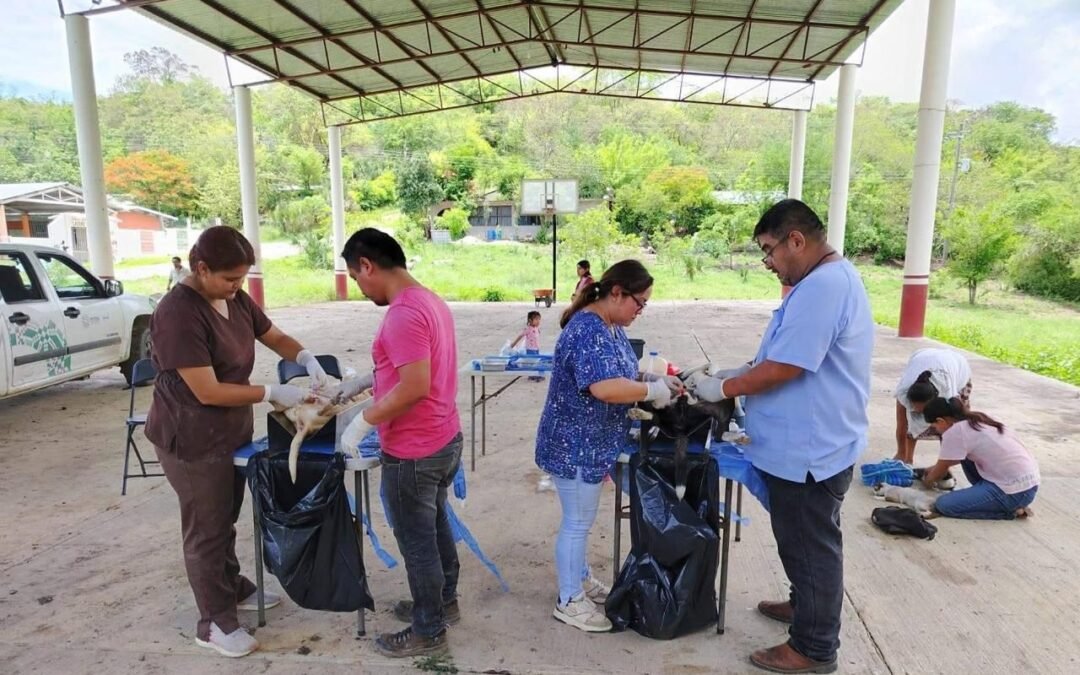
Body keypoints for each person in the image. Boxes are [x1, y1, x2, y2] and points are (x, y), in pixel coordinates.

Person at [691, 199, 874, 674]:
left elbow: (788, 366)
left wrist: (724, 386)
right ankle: (805, 604)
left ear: (797, 239)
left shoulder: (824, 286)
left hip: (811, 449)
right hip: (809, 444)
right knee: (799, 541)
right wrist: (738, 371)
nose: (768, 262)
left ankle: (813, 648)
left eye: (770, 250)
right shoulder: (819, 282)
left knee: (811, 546)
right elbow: (779, 354)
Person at [145, 226, 330, 659]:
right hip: (189, 435)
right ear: (201, 268)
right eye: (230, 279)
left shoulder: (233, 298)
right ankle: (214, 622)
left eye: (242, 279)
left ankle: (232, 586)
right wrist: (270, 392)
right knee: (206, 527)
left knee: (225, 514)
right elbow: (206, 390)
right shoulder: (178, 312)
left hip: (229, 430)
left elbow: (273, 335)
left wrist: (305, 357)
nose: (237, 287)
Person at [333, 228, 462, 658]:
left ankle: (429, 631)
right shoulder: (428, 300)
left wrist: (360, 425)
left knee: (417, 541)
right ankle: (443, 602)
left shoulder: (403, 313)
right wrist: (366, 380)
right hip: (443, 438)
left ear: (367, 266)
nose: (358, 286)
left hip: (415, 448)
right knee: (435, 524)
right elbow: (412, 366)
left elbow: (415, 386)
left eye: (355, 277)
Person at [535, 259, 683, 633]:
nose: (641, 310)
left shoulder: (610, 325)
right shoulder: (588, 329)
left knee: (580, 521)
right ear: (617, 293)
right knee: (577, 522)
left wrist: (651, 376)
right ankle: (568, 600)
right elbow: (604, 387)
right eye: (639, 302)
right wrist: (651, 391)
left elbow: (621, 372)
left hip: (590, 442)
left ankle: (579, 580)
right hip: (574, 444)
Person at [920, 397, 1039, 519]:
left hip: (1012, 492)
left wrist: (926, 482)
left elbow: (939, 471)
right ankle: (989, 497)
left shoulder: (955, 432)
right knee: (965, 457)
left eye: (934, 426)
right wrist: (937, 468)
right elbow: (949, 461)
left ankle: (1011, 511)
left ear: (941, 421)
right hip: (1029, 485)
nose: (936, 430)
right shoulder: (978, 419)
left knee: (943, 505)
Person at [894, 347, 972, 465]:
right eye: (916, 409)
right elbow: (902, 424)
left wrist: (941, 468)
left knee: (950, 428)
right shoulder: (903, 391)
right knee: (912, 424)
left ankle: (944, 466)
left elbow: (950, 431)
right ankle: (908, 459)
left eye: (923, 410)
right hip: (923, 356)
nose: (919, 413)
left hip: (957, 366)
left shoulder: (948, 395)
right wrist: (901, 454)